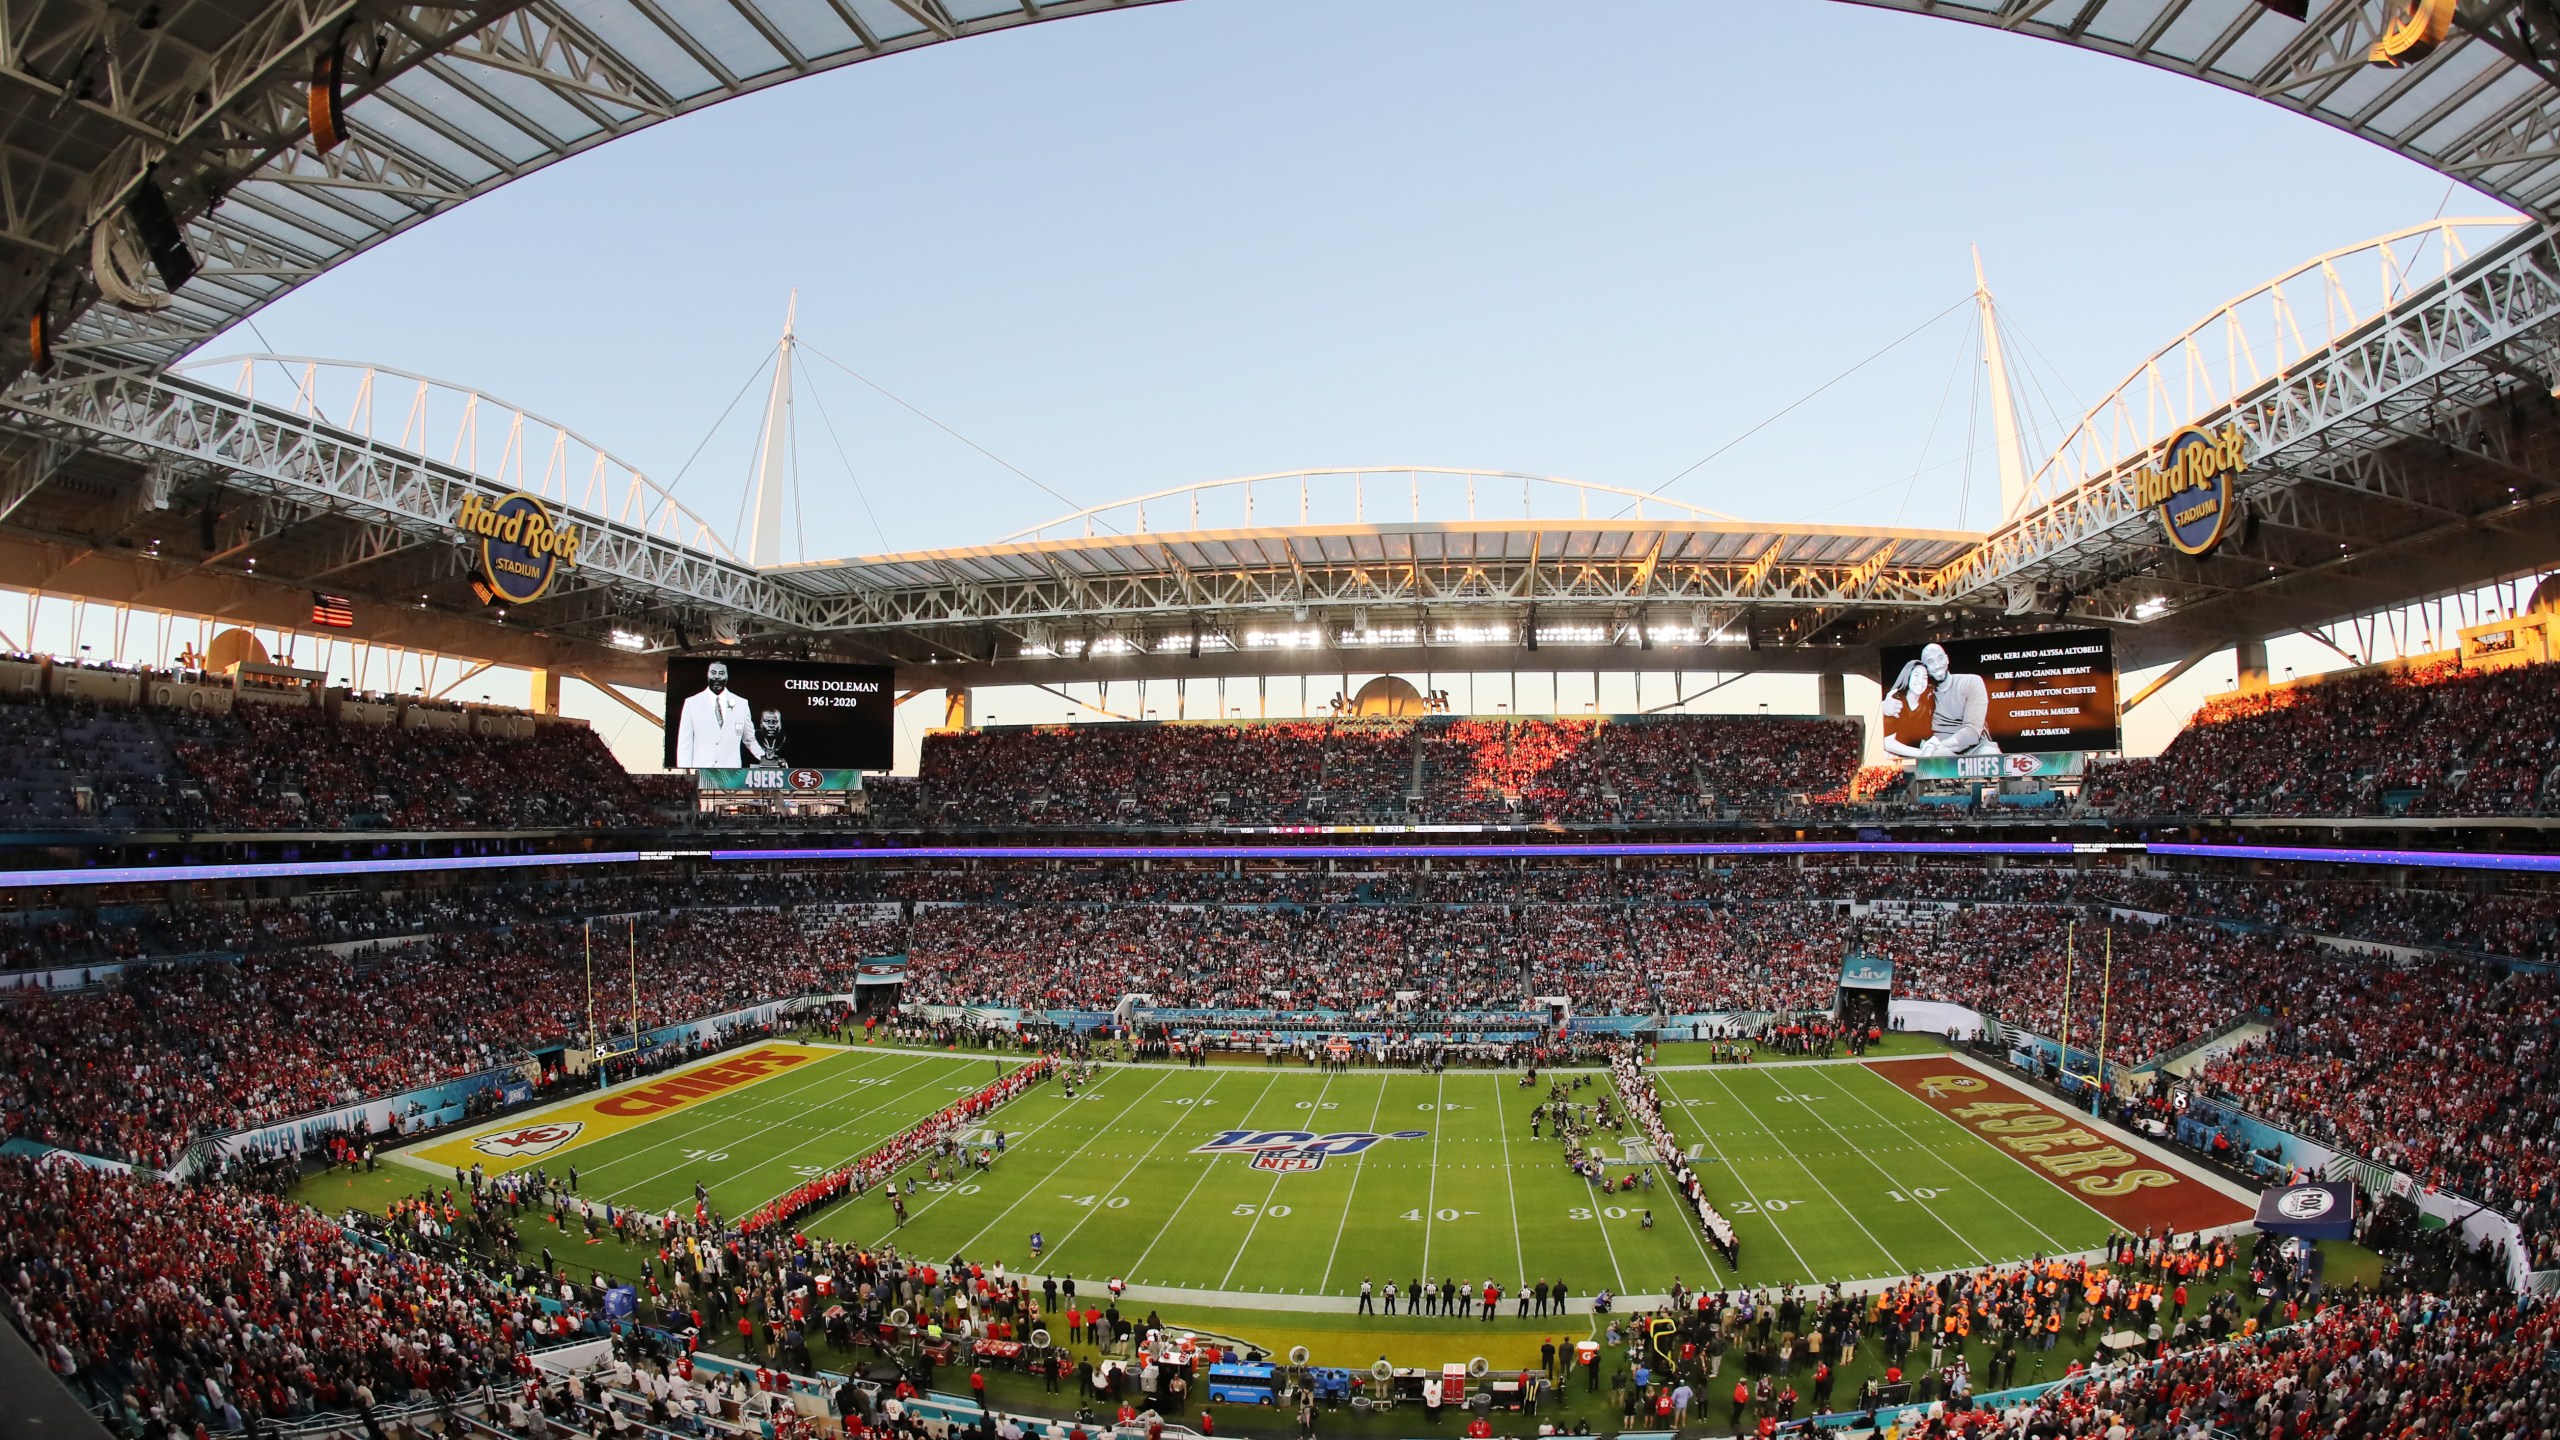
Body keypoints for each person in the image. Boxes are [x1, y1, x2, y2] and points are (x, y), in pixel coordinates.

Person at [1881, 642, 1998, 759]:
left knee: (1991, 755)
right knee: (1938, 757)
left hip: (1976, 748)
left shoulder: (1971, 682)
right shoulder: (1923, 693)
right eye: (1931, 662)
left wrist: (1933, 748)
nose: (1937, 665)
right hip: (1941, 753)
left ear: (1947, 659)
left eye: (1940, 658)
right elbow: (1904, 722)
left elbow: (1972, 732)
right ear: (1926, 669)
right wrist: (1883, 707)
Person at [675, 662, 768, 768]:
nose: (717, 676)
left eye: (721, 673)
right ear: (707, 674)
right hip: (702, 771)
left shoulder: (741, 704)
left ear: (727, 676)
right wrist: (684, 770)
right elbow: (685, 743)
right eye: (713, 672)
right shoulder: (692, 703)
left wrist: (767, 758)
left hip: (732, 772)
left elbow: (750, 739)